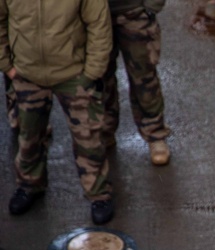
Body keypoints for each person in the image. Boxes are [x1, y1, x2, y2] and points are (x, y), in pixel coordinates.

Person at [0, 0, 116, 224]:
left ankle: (99, 194)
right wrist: (6, 65)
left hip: (74, 74)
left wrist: (92, 73)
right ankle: (29, 185)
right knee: (29, 135)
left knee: (88, 138)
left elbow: (99, 25)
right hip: (27, 73)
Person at [103, 0, 172, 165]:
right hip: (95, 14)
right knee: (99, 76)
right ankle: (104, 130)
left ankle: (155, 134)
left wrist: (151, 7)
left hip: (134, 12)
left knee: (144, 76)